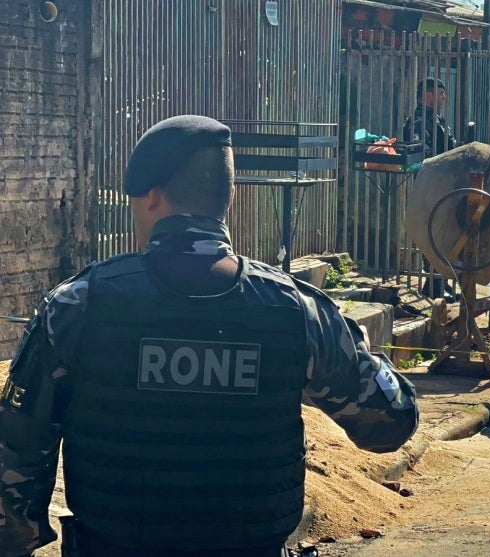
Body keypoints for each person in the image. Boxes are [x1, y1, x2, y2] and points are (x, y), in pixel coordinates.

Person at [0, 115, 419, 557]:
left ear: (152, 196)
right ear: (230, 198)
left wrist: (19, 541)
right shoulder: (297, 310)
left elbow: (15, 454)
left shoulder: (77, 306)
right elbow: (392, 422)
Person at [412, 77, 456, 157]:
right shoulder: (419, 122)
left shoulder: (436, 119)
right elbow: (423, 156)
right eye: (441, 93)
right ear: (428, 96)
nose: (444, 97)